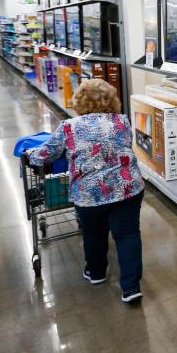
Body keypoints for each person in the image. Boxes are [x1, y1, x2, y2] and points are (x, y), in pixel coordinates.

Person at [29, 79, 145, 303]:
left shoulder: (69, 127)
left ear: (79, 102)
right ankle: (131, 287)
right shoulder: (122, 121)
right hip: (127, 187)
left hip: (89, 194)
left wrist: (30, 155)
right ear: (112, 100)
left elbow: (45, 155)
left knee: (94, 234)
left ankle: (97, 272)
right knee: (128, 234)